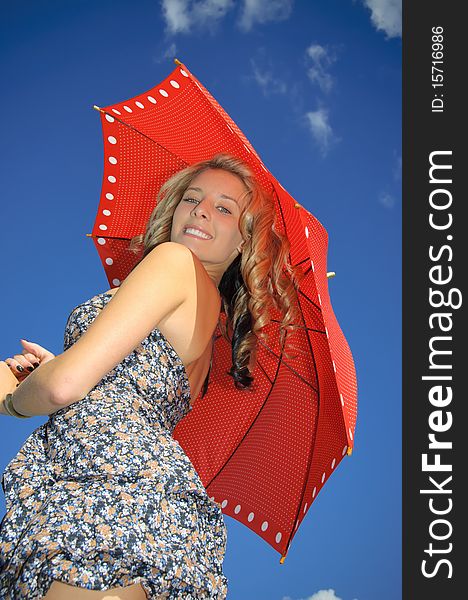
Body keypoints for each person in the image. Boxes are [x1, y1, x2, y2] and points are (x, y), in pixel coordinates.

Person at [0, 153, 302, 599]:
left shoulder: (173, 261)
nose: (200, 209)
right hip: (141, 501)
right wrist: (53, 368)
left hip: (106, 490)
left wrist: (11, 398)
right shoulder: (208, 320)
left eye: (225, 208)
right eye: (192, 197)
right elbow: (115, 388)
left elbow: (67, 387)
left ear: (243, 243)